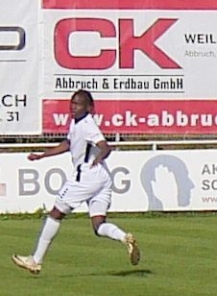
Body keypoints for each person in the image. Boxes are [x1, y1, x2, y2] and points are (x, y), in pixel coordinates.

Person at [13, 89, 140, 275]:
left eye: (78, 104)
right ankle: (124, 237)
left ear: (88, 107)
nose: (73, 107)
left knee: (55, 214)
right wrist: (42, 155)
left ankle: (35, 260)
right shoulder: (76, 122)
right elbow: (68, 144)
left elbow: (105, 147)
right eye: (72, 103)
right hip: (102, 178)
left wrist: (100, 156)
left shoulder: (88, 125)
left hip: (86, 177)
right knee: (98, 225)